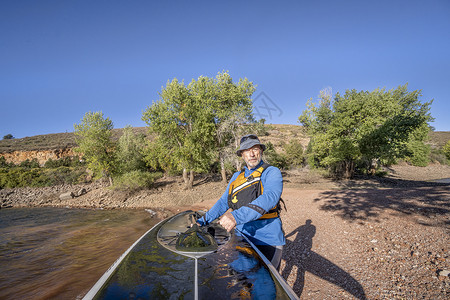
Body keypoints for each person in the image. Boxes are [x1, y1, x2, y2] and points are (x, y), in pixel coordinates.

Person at [197, 134, 285, 270]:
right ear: (242, 154)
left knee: (265, 286)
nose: (252, 154)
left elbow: (270, 197)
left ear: (261, 151)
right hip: (241, 237)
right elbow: (223, 203)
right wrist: (202, 221)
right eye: (247, 150)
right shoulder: (236, 177)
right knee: (241, 281)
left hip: (267, 239)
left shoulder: (271, 172)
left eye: (255, 149)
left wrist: (235, 216)